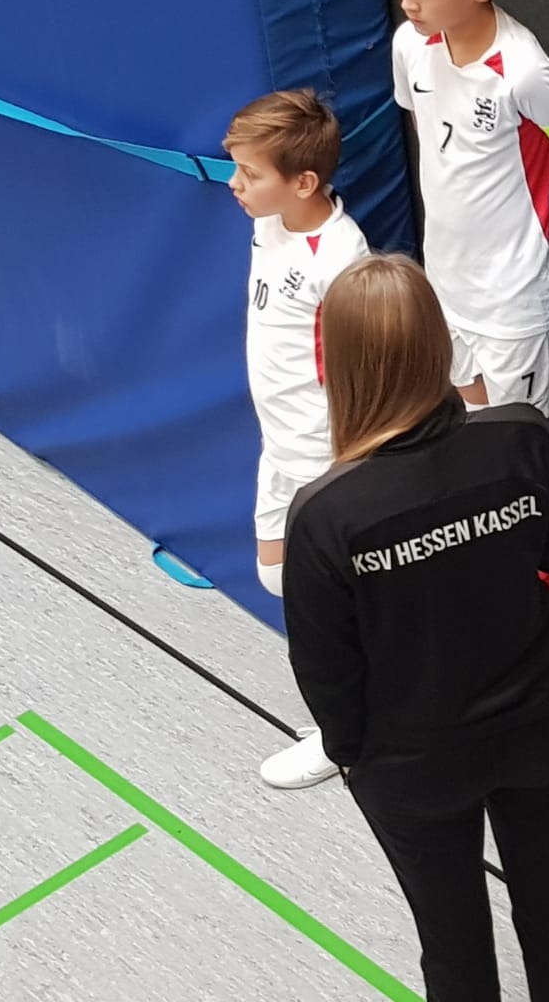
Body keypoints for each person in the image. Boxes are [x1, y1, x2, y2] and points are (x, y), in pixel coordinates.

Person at [281, 253, 549, 1002]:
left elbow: (327, 675)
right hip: (539, 726)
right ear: (438, 340)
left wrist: (358, 758)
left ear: (340, 365)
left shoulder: (325, 513)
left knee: (451, 941)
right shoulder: (522, 438)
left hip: (412, 764)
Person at [387, 0, 549, 639]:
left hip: (517, 300)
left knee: (525, 451)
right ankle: (514, 567)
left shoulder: (526, 71)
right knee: (475, 442)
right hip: (450, 290)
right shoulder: (410, 45)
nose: (408, 2)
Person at [223, 89, 369, 790]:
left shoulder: (341, 260)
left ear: (304, 182)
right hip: (278, 449)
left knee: (322, 608)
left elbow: (362, 373)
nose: (235, 183)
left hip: (322, 463)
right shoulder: (269, 223)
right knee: (274, 576)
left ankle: (346, 735)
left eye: (249, 174)